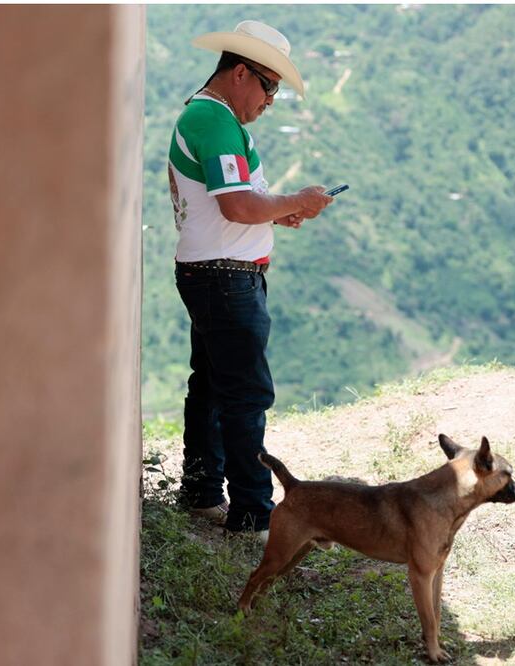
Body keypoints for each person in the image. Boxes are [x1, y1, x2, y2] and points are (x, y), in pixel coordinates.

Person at [167, 20, 334, 539]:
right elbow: (238, 206)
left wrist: (277, 211)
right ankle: (252, 515)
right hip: (225, 278)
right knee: (245, 395)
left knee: (212, 386)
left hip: (212, 272)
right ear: (240, 73)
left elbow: (235, 203)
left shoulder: (208, 115)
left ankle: (201, 492)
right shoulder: (215, 121)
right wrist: (295, 200)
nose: (269, 101)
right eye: (269, 86)